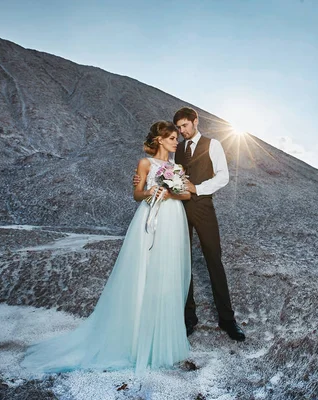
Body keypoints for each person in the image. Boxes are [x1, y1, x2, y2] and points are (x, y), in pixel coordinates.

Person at [21, 121, 192, 374]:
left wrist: (170, 194)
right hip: (150, 217)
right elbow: (136, 193)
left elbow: (186, 194)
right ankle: (136, 339)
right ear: (159, 140)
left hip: (173, 218)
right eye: (171, 138)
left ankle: (164, 339)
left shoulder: (176, 167)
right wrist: (151, 192)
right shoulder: (145, 163)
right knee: (143, 270)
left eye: (176, 138)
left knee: (168, 272)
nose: (175, 142)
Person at [134, 107, 245, 341]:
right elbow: (164, 171)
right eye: (179, 128)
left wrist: (198, 188)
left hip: (203, 208)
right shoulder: (177, 149)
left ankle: (227, 320)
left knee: (213, 259)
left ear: (195, 121)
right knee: (182, 262)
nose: (182, 131)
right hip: (178, 210)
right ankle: (188, 318)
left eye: (185, 126)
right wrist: (140, 181)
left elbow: (223, 177)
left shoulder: (212, 144)